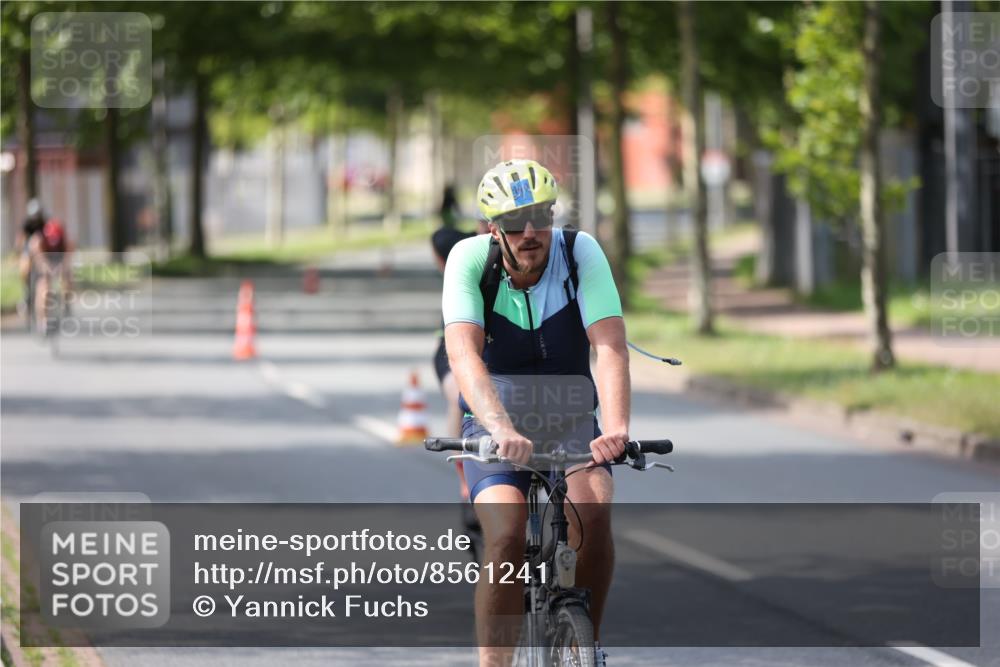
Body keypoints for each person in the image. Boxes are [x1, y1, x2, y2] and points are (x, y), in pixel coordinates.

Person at [441, 159, 628, 665]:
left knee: (594, 514)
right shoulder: (469, 261)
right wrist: (499, 427)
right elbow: (463, 355)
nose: (530, 232)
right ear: (491, 228)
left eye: (540, 216)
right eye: (514, 221)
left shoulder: (579, 251)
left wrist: (615, 430)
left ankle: (582, 644)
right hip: (495, 422)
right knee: (504, 536)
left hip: (570, 422)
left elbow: (609, 346)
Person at [28, 219, 72, 332]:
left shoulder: (66, 241)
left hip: (57, 260)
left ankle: (66, 302)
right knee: (44, 286)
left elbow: (67, 258)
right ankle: (43, 320)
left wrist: (62, 269)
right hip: (43, 262)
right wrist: (48, 269)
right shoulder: (37, 241)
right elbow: (39, 259)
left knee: (68, 277)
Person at [16, 199, 47, 317]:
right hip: (28, 250)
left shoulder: (45, 222)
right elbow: (21, 237)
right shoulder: (26, 223)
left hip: (41, 250)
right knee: (24, 268)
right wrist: (19, 251)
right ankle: (26, 292)